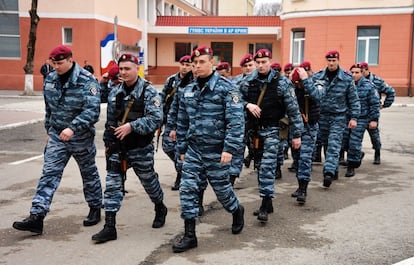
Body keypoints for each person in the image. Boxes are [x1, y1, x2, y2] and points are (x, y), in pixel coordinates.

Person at [12, 45, 103, 235]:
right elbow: (49, 109)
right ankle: (37, 216)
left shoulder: (88, 81)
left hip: (81, 137)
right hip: (57, 136)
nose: (56, 67)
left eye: (60, 63)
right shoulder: (51, 79)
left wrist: (73, 127)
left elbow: (93, 111)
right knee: (49, 173)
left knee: (88, 173)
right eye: (53, 63)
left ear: (71, 60)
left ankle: (95, 208)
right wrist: (49, 130)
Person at [172, 46, 245, 253]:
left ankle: (236, 210)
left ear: (212, 63)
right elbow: (182, 121)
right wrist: (183, 148)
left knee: (222, 192)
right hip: (195, 150)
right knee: (187, 190)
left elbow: (236, 122)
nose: (196, 67)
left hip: (217, 151)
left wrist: (229, 148)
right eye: (194, 63)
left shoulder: (226, 88)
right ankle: (189, 235)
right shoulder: (188, 90)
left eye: (201, 62)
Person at [92, 53, 167, 243]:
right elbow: (110, 122)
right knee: (111, 186)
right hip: (118, 149)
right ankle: (110, 226)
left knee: (149, 182)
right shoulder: (115, 92)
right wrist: (108, 145)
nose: (123, 72)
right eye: (121, 69)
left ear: (137, 68)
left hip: (140, 147)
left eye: (127, 68)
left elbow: (156, 119)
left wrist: (132, 126)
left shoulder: (149, 92)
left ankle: (160, 206)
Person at [239, 49, 303, 222]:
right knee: (260, 166)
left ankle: (264, 204)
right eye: (258, 63)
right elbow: (234, 99)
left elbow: (294, 111)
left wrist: (296, 135)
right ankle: (268, 203)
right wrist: (247, 105)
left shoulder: (281, 83)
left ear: (270, 61)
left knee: (267, 167)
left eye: (264, 62)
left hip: (273, 131)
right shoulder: (248, 82)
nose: (261, 66)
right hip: (255, 133)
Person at [301, 50, 360, 187]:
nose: (331, 63)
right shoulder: (319, 76)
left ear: (338, 61)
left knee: (334, 144)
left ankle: (328, 173)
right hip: (322, 117)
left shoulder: (346, 78)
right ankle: (334, 169)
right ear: (326, 61)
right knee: (326, 144)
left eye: (334, 61)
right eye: (329, 61)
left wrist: (354, 118)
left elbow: (353, 100)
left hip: (339, 117)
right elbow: (313, 96)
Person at [160, 55, 193, 190]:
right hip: (170, 119)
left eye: (188, 64)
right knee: (167, 146)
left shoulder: (193, 80)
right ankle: (184, 167)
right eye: (182, 64)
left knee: (181, 148)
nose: (185, 67)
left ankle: (181, 174)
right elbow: (163, 97)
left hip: (186, 121)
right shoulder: (171, 80)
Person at [343, 63, 380, 177]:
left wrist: (374, 119)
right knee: (344, 142)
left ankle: (351, 166)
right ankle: (357, 155)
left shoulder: (369, 86)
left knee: (354, 142)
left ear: (362, 73)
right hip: (347, 118)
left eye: (357, 72)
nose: (354, 75)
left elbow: (374, 104)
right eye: (352, 72)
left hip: (362, 118)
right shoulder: (346, 85)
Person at [290, 65, 320, 204]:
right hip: (295, 129)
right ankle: (299, 184)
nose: (299, 86)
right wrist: (291, 82)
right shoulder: (293, 88)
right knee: (296, 159)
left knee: (305, 158)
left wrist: (306, 81)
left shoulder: (315, 84)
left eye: (300, 83)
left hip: (309, 127)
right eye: (297, 84)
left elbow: (317, 96)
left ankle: (303, 189)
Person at [360, 62, 395, 164]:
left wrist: (384, 105)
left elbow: (390, 92)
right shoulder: (355, 81)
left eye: (362, 71)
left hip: (372, 113)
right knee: (352, 138)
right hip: (359, 114)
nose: (359, 74)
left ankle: (377, 153)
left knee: (374, 136)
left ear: (367, 70)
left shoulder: (377, 81)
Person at [229, 53, 256, 185]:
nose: (248, 68)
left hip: (259, 122)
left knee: (259, 151)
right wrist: (247, 105)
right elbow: (235, 98)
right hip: (242, 121)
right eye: (245, 66)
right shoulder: (235, 81)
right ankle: (232, 178)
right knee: (237, 150)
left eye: (250, 65)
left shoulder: (266, 80)